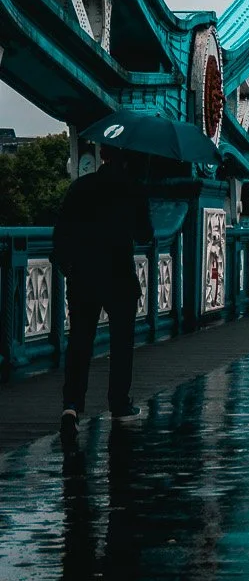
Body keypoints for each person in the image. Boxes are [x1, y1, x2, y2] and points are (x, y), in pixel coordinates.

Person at [52, 147, 154, 440]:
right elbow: (145, 235)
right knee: (122, 344)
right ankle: (119, 405)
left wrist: (68, 268)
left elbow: (60, 235)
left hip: (83, 276)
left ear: (104, 156)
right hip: (118, 278)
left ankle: (71, 406)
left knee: (80, 342)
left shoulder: (80, 188)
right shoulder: (132, 190)